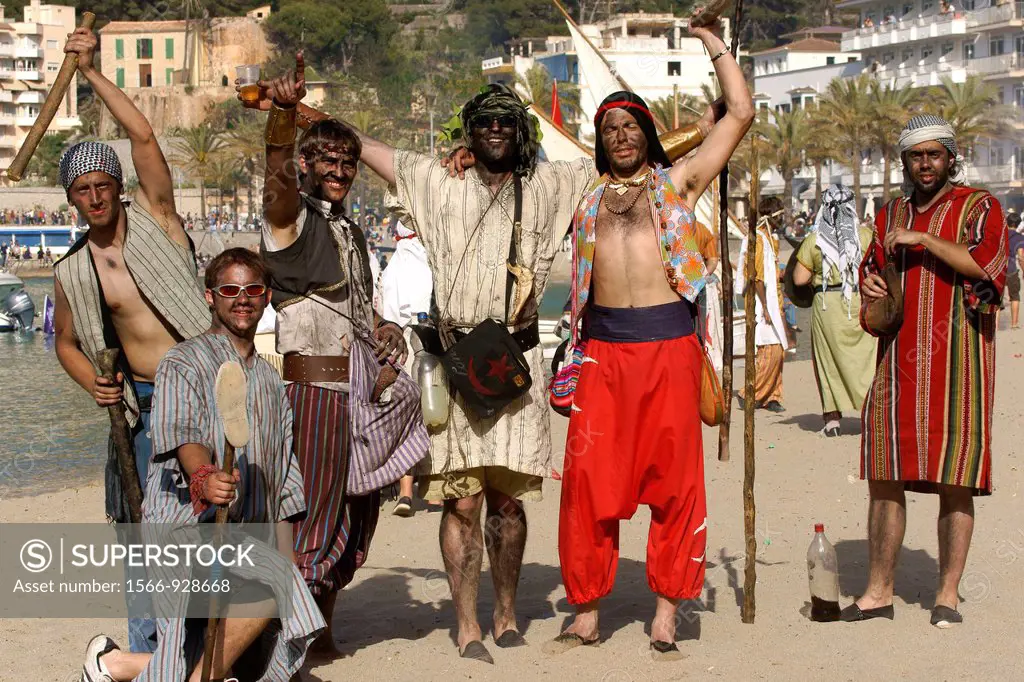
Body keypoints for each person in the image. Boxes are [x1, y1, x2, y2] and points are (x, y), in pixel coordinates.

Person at [548, 9, 753, 659]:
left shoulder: (679, 185)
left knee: (675, 481)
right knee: (587, 483)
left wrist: (710, 41)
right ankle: (586, 606)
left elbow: (740, 114)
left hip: (669, 348)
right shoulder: (585, 201)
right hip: (603, 354)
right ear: (602, 141)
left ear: (646, 134)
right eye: (609, 128)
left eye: (630, 125)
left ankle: (667, 608)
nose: (620, 135)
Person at [79, 248, 325, 682]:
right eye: (230, 289)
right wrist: (205, 477)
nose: (242, 298)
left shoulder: (270, 381)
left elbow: (284, 481)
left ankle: (113, 666)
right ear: (211, 297)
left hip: (242, 536)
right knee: (267, 591)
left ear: (267, 297)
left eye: (253, 289)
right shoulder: (183, 360)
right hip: (183, 526)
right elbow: (184, 436)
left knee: (261, 632)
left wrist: (286, 567)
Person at [250, 57, 426, 656]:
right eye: (330, 162)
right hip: (316, 392)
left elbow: (359, 309)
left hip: (356, 392)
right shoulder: (292, 220)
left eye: (349, 164)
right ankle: (286, 643)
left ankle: (319, 628)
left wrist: (386, 329)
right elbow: (275, 184)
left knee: (355, 514)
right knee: (315, 515)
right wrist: (280, 118)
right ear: (306, 164)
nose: (343, 172)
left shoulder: (349, 230)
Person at [52, 26, 209, 654]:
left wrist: (88, 71)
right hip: (142, 407)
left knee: (213, 523)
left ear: (119, 188)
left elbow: (142, 135)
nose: (94, 198)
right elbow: (65, 340)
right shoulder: (72, 268)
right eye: (82, 191)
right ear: (72, 200)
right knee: (141, 530)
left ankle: (212, 646)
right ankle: (146, 652)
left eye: (102, 186)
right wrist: (92, 380)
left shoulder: (159, 220)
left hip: (203, 393)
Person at [843, 115, 1006, 628]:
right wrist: (870, 284)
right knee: (883, 477)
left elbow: (988, 265)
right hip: (897, 367)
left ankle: (948, 595)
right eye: (917, 156)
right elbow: (874, 268)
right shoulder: (890, 211)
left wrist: (924, 240)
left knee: (956, 480)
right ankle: (878, 591)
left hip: (961, 366)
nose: (926, 164)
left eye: (935, 154)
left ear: (950, 158)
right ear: (905, 161)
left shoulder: (980, 206)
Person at [791, 185, 877, 436]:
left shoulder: (814, 240)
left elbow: (798, 279)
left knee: (827, 361)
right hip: (859, 300)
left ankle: (832, 420)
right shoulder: (865, 236)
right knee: (867, 360)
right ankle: (870, 412)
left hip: (827, 304)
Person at [379, 219, 434, 518]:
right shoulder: (426, 261)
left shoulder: (395, 268)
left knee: (406, 417)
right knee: (431, 415)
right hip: (425, 343)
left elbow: (387, 313)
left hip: (403, 348)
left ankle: (405, 490)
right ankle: (429, 486)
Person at [737, 196, 790, 412]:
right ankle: (749, 393)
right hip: (761, 304)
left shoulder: (770, 239)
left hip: (774, 302)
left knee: (780, 351)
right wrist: (765, 308)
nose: (782, 221)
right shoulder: (756, 239)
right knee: (771, 350)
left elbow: (772, 274)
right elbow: (756, 276)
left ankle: (773, 397)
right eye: (779, 217)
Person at [1005, 211, 1023, 329]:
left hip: (998, 270)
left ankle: (995, 326)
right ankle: (1014, 323)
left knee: (997, 300)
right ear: (1018, 224)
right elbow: (1021, 257)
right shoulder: (1020, 238)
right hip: (1011, 270)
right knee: (1015, 296)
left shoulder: (1001, 235)